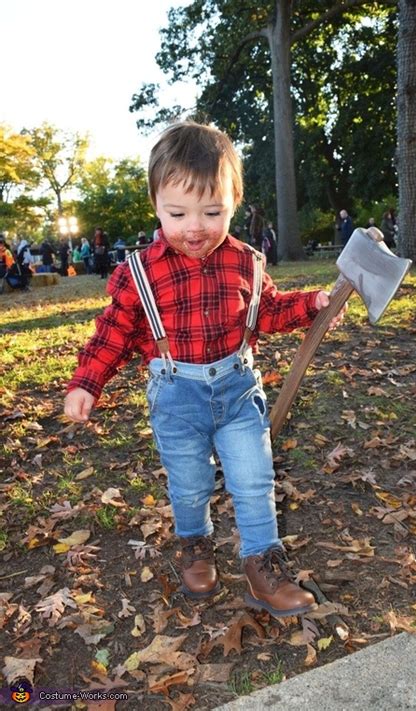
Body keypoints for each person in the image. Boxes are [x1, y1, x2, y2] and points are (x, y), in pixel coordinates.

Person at [64, 120, 346, 618]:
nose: (195, 226)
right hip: (177, 398)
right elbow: (113, 331)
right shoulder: (140, 272)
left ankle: (263, 564)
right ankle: (195, 542)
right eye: (178, 213)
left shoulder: (247, 262)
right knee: (190, 483)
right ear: (155, 204)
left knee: (254, 479)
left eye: (212, 212)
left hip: (237, 391)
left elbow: (270, 312)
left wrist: (314, 304)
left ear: (235, 202)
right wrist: (87, 383)